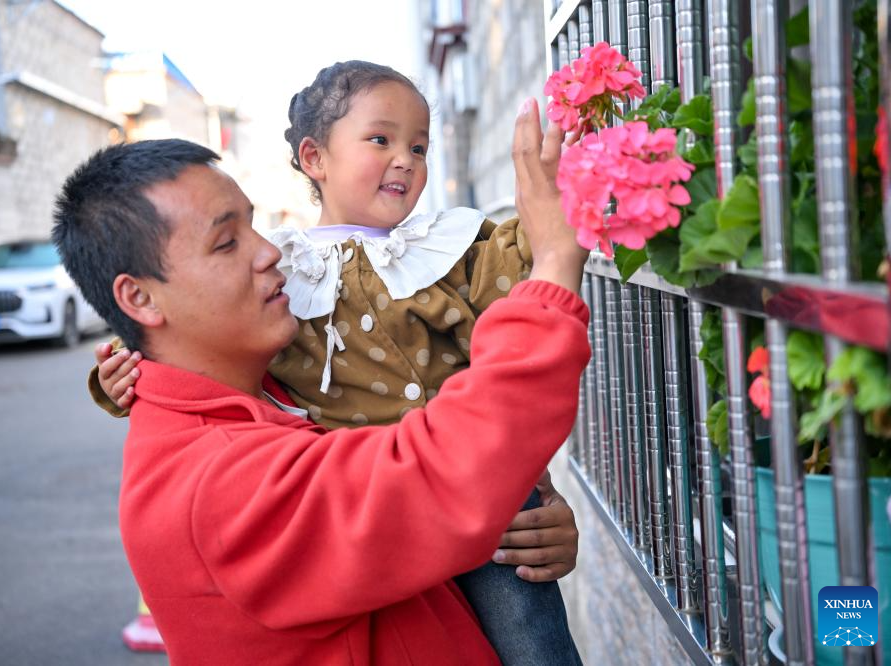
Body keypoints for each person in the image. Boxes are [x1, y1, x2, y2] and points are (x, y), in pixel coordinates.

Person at [59, 97, 589, 664]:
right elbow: (434, 478)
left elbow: (428, 510)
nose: (269, 253)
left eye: (252, 226)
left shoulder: (271, 393)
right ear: (139, 297)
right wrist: (554, 261)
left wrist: (514, 520)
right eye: (225, 243)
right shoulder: (219, 489)